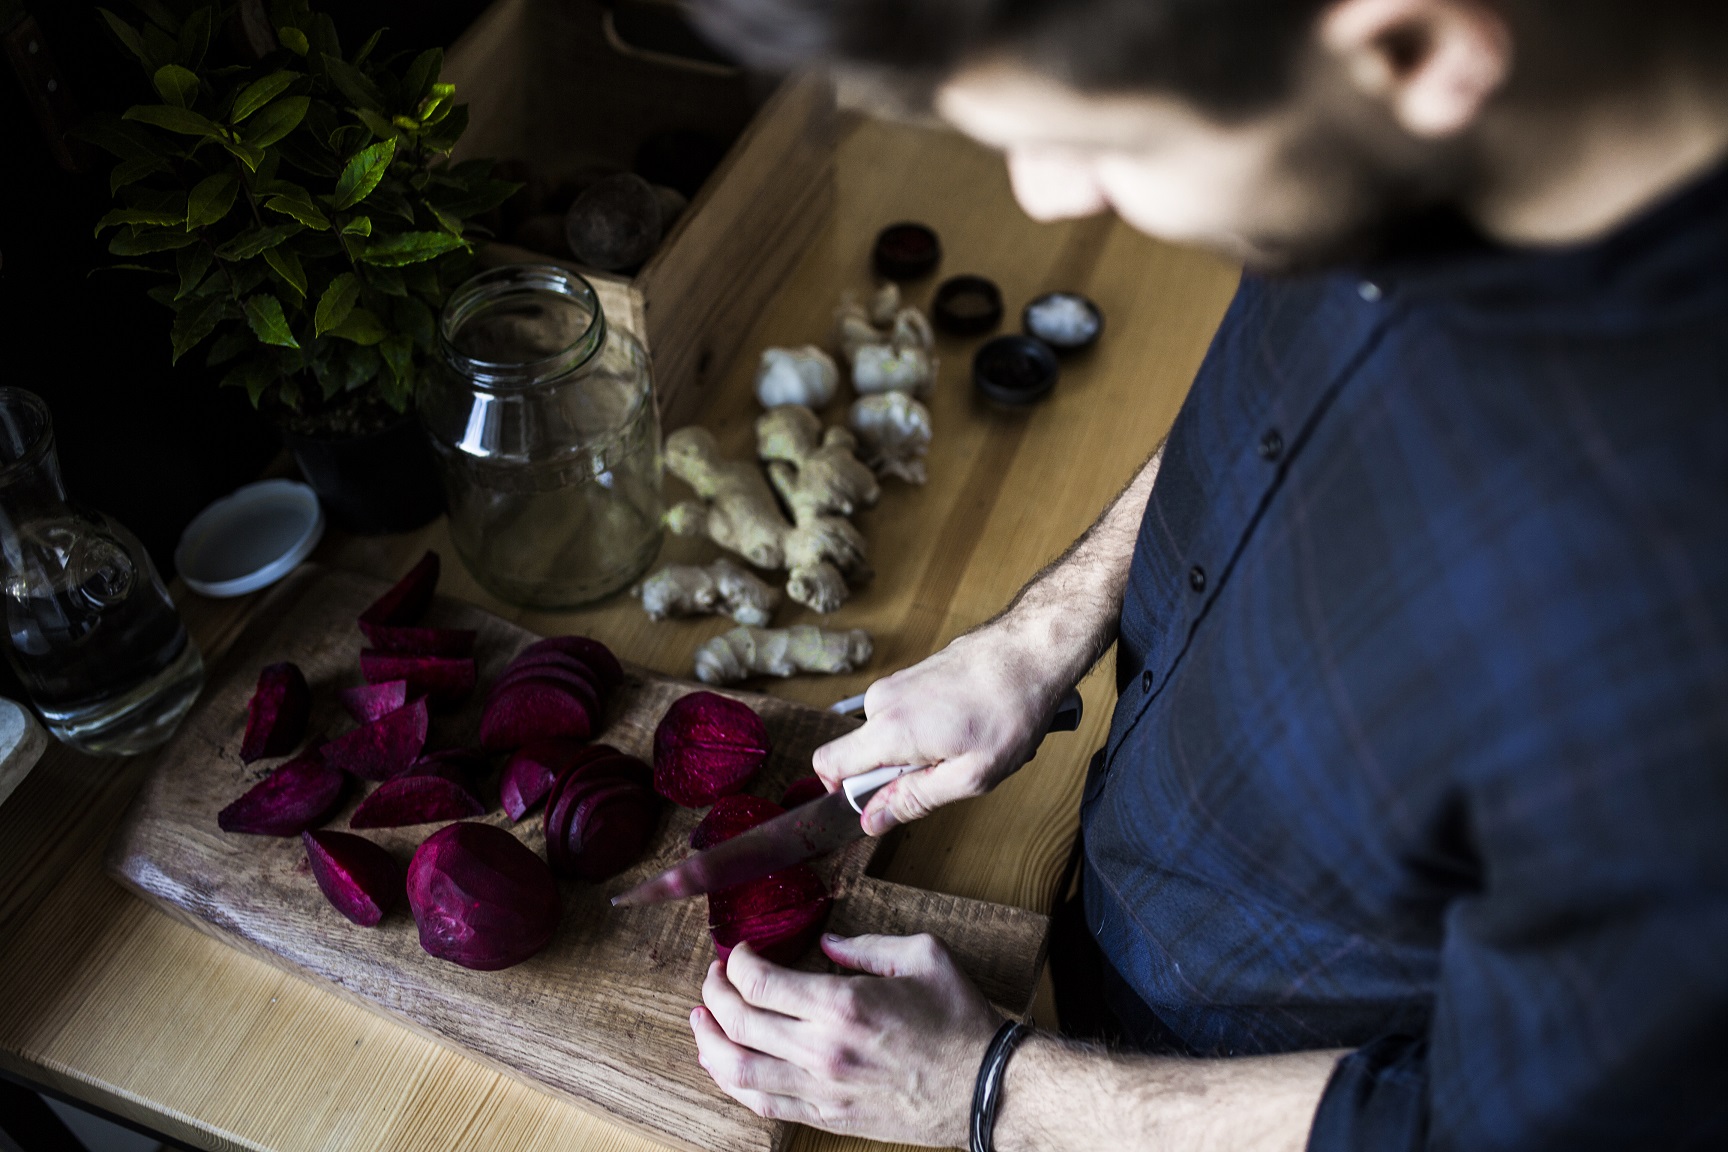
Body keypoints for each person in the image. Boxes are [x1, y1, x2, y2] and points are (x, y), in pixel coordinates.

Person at [680, 1, 1728, 1148]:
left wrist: (991, 1096)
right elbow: (1281, 404)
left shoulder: (1679, 604)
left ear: (1416, 48)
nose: (1046, 196)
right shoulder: (1383, 142)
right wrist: (1043, 633)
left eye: (1109, 145)